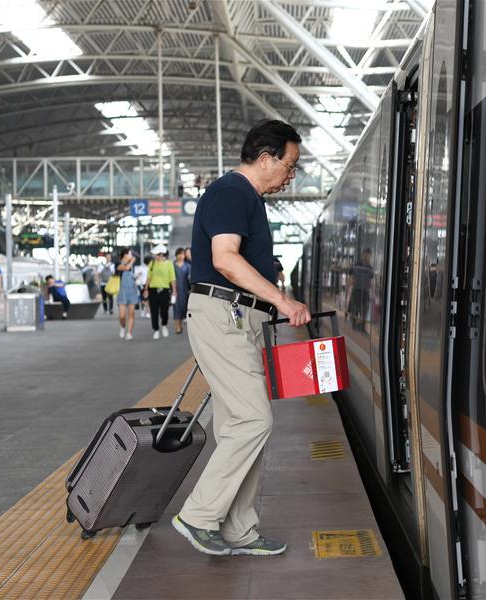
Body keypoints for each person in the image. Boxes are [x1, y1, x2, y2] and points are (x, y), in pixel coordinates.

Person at [171, 119, 311, 557]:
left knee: (240, 424)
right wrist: (283, 300)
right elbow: (225, 260)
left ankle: (238, 529)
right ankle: (198, 515)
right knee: (254, 420)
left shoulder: (247, 198)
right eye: (289, 166)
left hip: (238, 319)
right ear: (266, 158)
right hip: (223, 315)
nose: (291, 176)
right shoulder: (231, 192)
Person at [144, 245, 177, 339]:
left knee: (164, 310)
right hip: (153, 290)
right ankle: (156, 330)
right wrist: (146, 289)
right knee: (154, 311)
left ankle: (164, 325)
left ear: (162, 254)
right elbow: (148, 277)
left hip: (164, 290)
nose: (156, 256)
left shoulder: (169, 264)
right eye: (155, 255)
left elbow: (172, 278)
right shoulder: (152, 263)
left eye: (157, 254)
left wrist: (174, 291)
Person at [115, 248, 139, 340]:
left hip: (132, 291)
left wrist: (136, 277)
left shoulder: (132, 265)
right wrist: (131, 261)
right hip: (122, 292)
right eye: (129, 254)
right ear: (124, 255)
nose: (131, 256)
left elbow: (132, 275)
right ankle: (123, 327)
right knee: (122, 316)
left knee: (131, 313)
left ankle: (129, 333)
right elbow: (125, 268)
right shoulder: (118, 263)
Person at [348, 249, 373, 332]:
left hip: (365, 291)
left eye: (369, 255)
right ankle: (354, 324)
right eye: (366, 254)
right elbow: (351, 275)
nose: (367, 257)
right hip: (357, 289)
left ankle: (362, 327)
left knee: (365, 308)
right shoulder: (357, 264)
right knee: (355, 307)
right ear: (363, 254)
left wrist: (370, 289)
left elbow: (370, 280)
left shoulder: (370, 267)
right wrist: (350, 284)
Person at [173, 248, 191, 334]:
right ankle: (177, 326)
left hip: (185, 290)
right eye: (179, 254)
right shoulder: (172, 265)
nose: (180, 256)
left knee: (183, 307)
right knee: (176, 308)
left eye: (182, 254)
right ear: (176, 255)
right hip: (175, 290)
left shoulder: (188, 266)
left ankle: (180, 324)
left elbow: (190, 278)